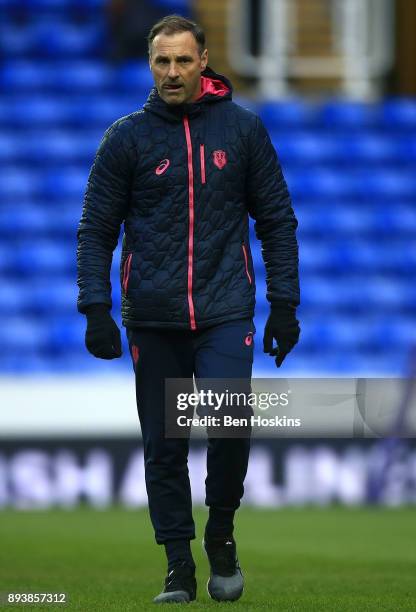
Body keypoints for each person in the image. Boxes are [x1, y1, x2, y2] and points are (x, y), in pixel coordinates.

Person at [77, 14, 300, 604]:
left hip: (226, 309)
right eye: (161, 62)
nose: (171, 72)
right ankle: (178, 563)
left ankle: (220, 531)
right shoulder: (125, 138)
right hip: (153, 315)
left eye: (182, 60)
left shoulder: (244, 132)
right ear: (150, 66)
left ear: (204, 60)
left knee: (229, 428)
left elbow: (277, 220)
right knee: (164, 446)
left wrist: (284, 305)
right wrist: (95, 307)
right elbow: (95, 229)